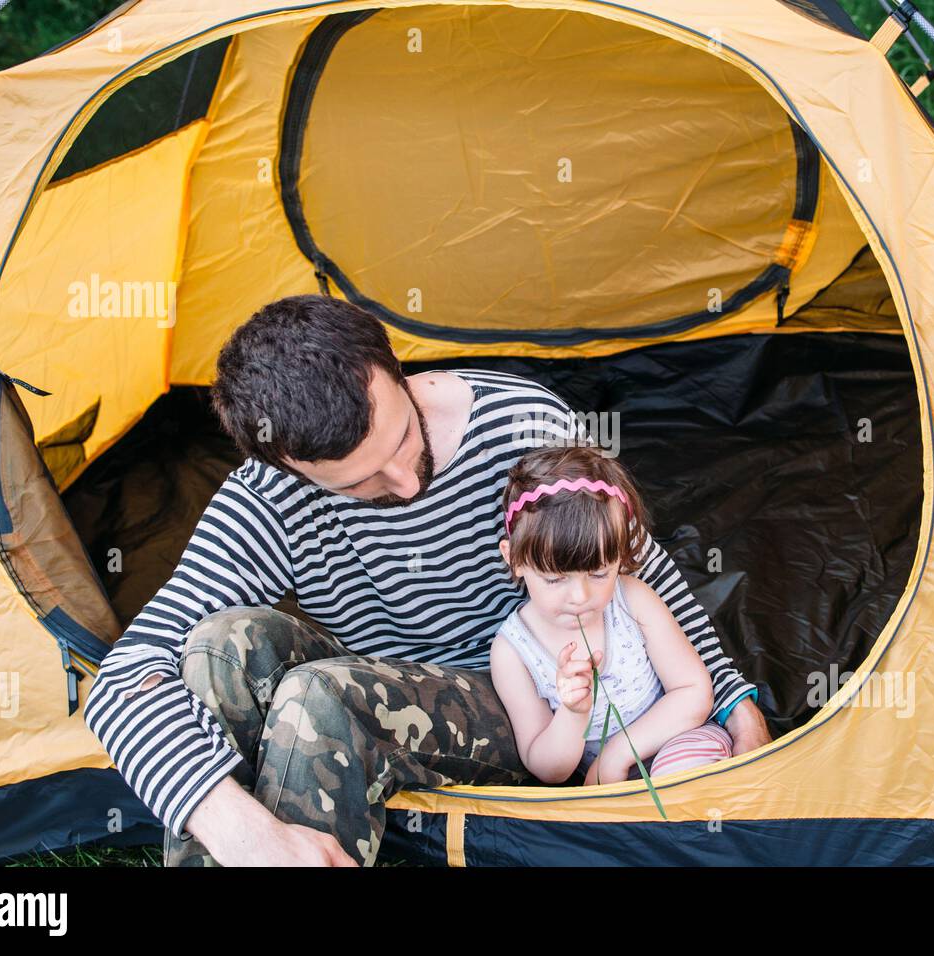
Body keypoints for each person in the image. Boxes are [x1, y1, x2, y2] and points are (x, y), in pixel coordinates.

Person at [82, 294, 768, 866]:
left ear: (393, 367)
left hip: (524, 699)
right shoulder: (265, 500)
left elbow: (630, 568)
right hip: (382, 679)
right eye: (361, 483)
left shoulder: (521, 425)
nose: (406, 483)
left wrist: (732, 698)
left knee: (322, 697)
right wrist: (240, 829)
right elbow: (123, 679)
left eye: (404, 438)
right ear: (287, 468)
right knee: (217, 646)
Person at [491, 445, 734, 787]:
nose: (580, 597)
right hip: (604, 790)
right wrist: (573, 714)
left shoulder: (632, 601)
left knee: (678, 771)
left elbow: (694, 691)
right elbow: (546, 768)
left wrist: (616, 755)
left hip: (679, 742)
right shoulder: (513, 651)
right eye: (555, 579)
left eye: (598, 574)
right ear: (514, 558)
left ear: (620, 556)